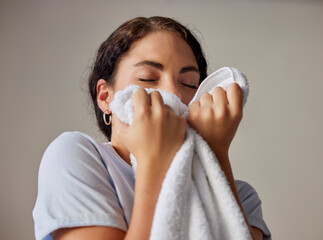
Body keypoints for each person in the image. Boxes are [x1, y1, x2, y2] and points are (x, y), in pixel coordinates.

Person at [33, 16, 271, 240]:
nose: (173, 93)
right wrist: (153, 162)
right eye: (147, 78)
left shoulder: (242, 196)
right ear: (105, 97)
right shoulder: (76, 156)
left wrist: (216, 153)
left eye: (189, 83)